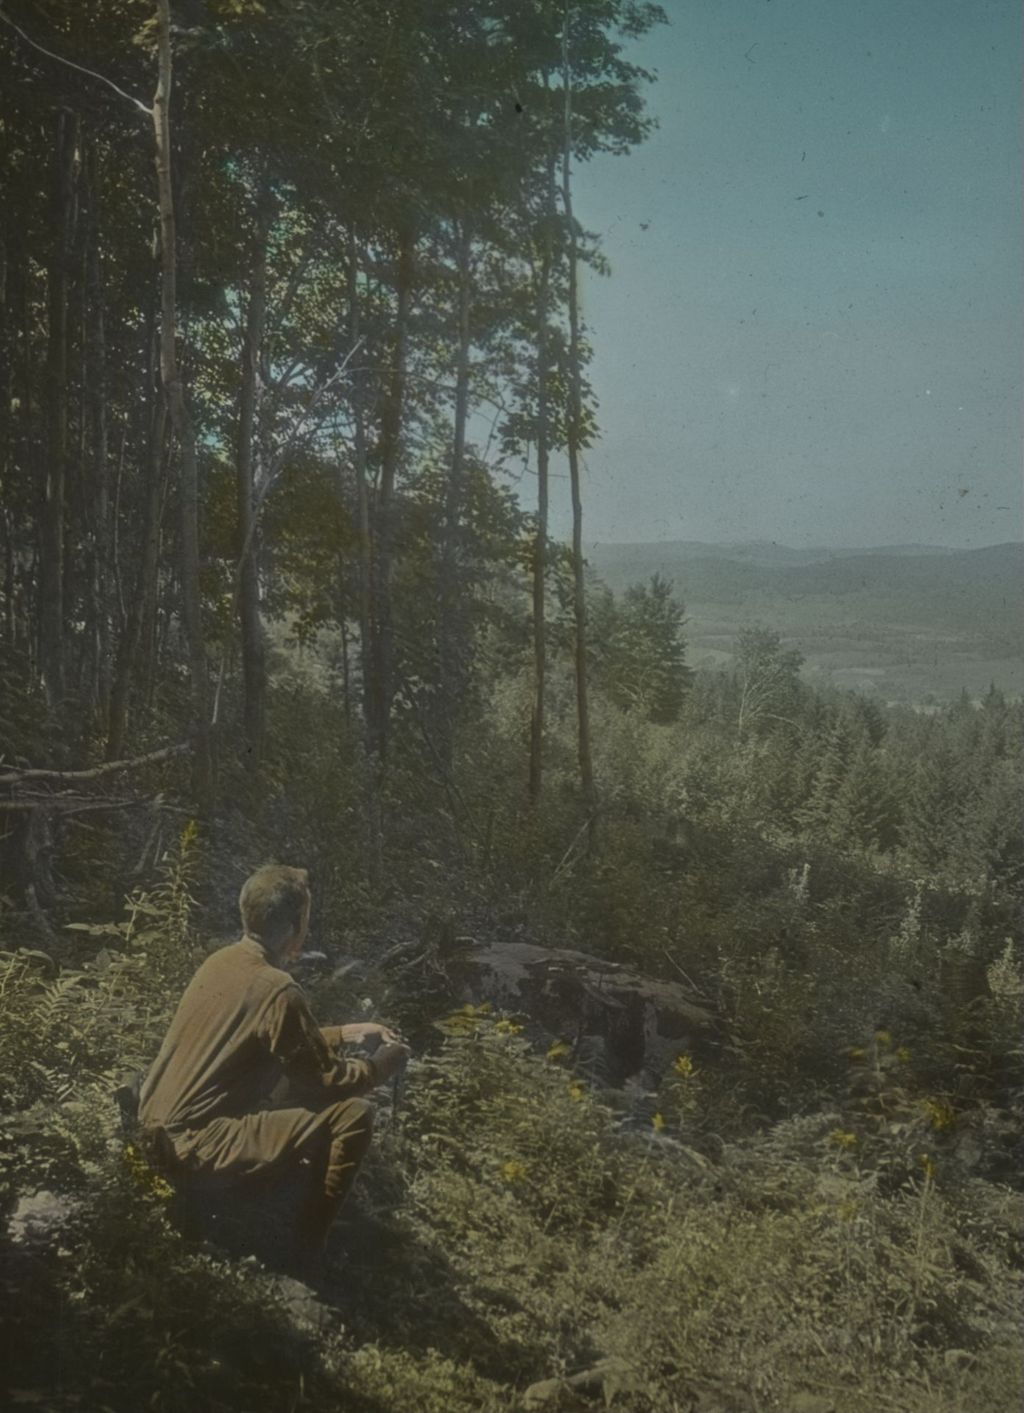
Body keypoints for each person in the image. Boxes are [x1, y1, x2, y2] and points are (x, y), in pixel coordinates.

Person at [139, 863, 409, 1279]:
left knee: (291, 1089)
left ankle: (263, 1199)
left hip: (155, 1129)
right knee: (355, 1116)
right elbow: (325, 1079)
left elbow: (273, 1037)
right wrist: (380, 1065)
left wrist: (351, 1031)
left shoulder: (223, 961)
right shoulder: (278, 988)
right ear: (296, 925)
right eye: (306, 920)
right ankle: (305, 1253)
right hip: (195, 1144)